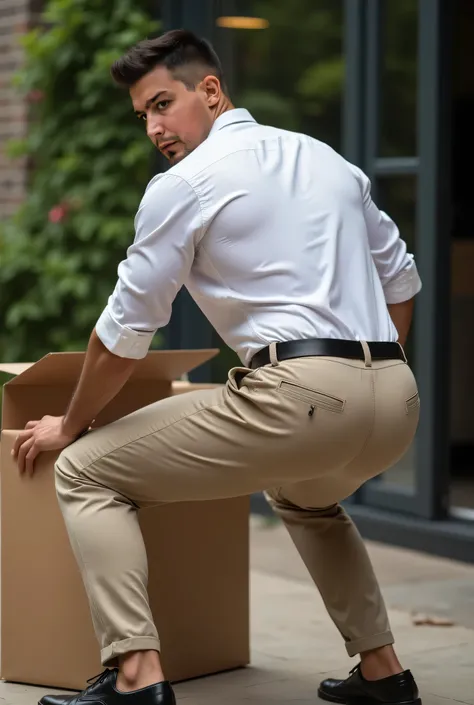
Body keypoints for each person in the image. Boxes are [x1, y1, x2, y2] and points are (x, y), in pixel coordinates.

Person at [13, 29, 422, 705]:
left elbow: (122, 335)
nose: (153, 126)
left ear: (211, 90)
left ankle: (136, 677)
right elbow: (401, 281)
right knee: (306, 494)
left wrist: (70, 423)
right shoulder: (327, 161)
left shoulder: (186, 185)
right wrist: (370, 375)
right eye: (142, 113)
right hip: (397, 401)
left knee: (84, 469)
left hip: (301, 395)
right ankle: (384, 672)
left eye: (162, 103)